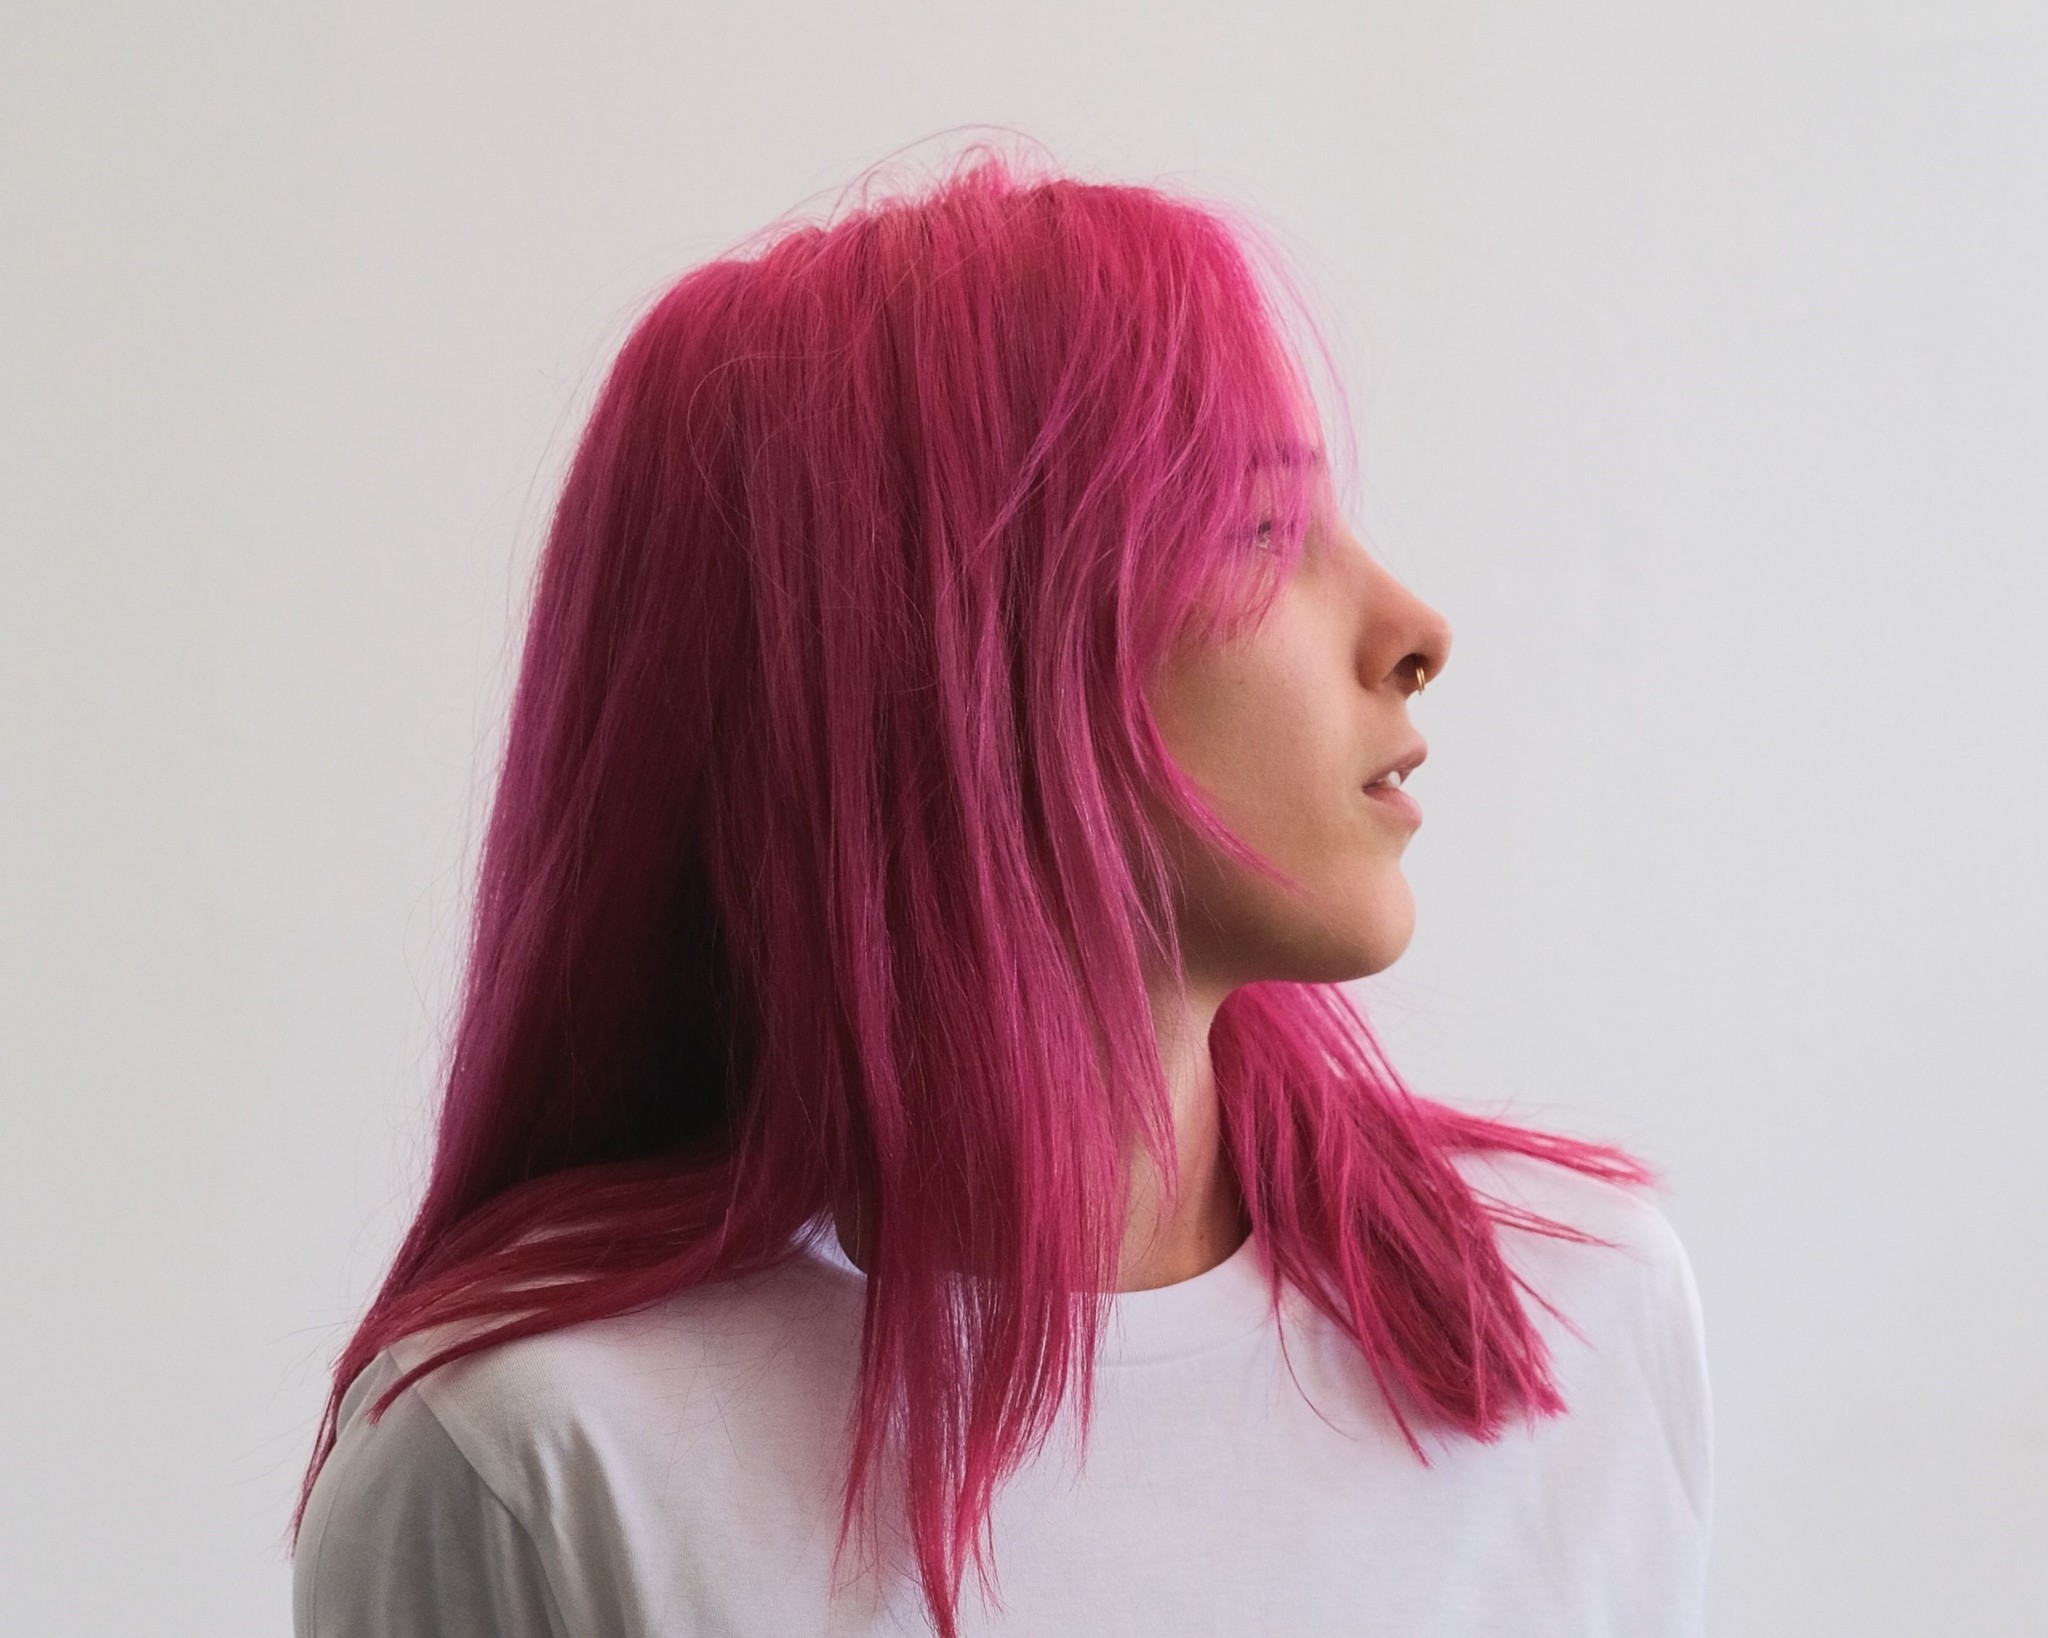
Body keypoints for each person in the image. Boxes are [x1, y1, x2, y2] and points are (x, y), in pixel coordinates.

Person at [291, 155, 1711, 1637]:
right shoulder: (543, 1464)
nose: (1416, 630)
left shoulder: (1569, 1317)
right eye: (1261, 533)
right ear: (962, 657)